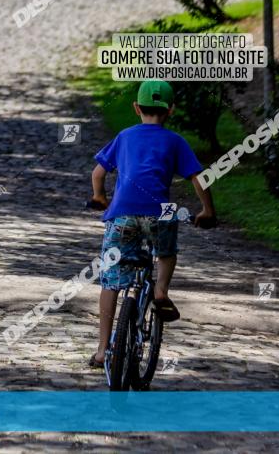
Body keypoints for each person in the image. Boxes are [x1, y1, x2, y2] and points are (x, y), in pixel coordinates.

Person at [88, 80, 216, 367]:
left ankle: (102, 349)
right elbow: (199, 178)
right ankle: (160, 290)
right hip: (161, 211)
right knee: (167, 253)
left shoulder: (124, 136)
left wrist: (100, 198)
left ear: (136, 108)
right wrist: (207, 210)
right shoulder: (175, 141)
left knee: (110, 282)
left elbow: (98, 173)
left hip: (122, 214)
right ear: (170, 110)